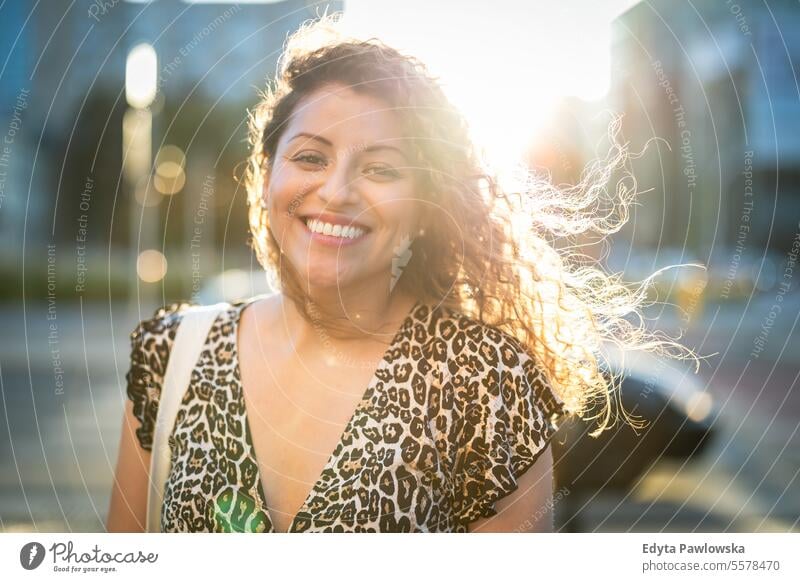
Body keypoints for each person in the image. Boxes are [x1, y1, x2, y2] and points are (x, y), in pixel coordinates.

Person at [107, 15, 694, 533]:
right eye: (310, 156)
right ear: (265, 178)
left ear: (421, 209)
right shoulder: (167, 355)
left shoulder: (487, 385)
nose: (335, 192)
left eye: (381, 169)